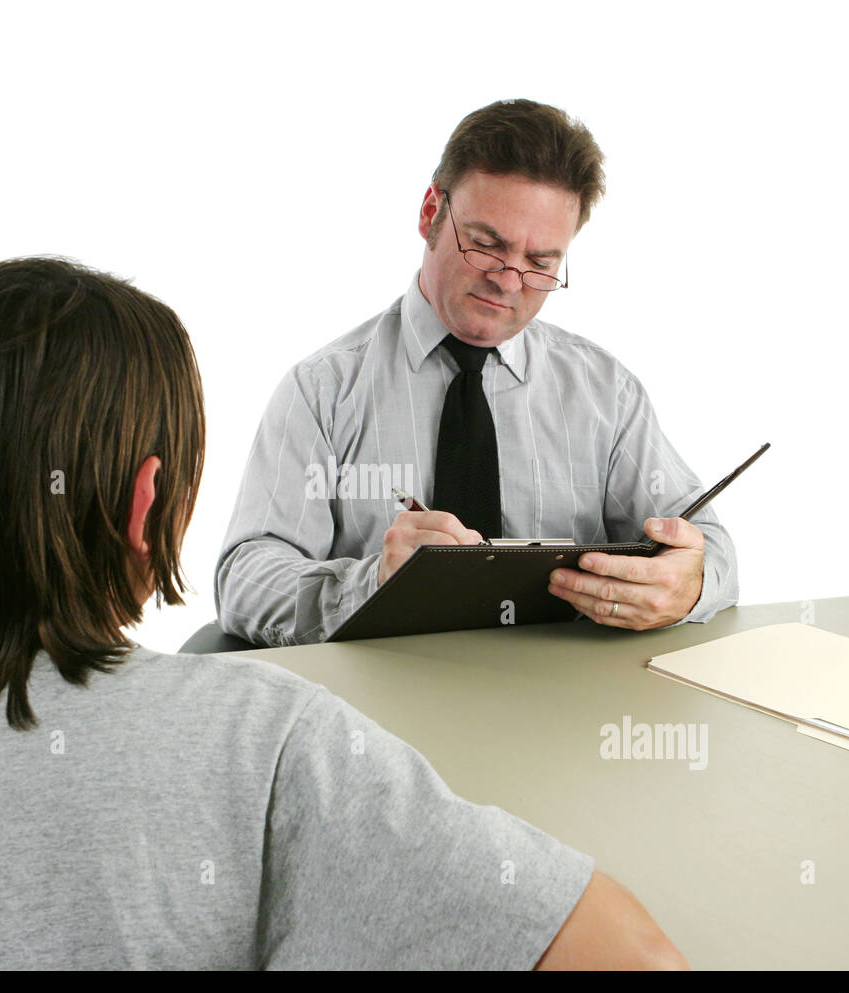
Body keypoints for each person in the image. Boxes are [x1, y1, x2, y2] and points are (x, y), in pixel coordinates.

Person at [0, 256, 685, 971]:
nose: (511, 276)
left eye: (541, 263)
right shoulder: (261, 740)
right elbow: (632, 958)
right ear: (150, 505)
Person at [216, 99, 739, 646]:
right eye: (487, 245)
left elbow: (709, 543)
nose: (509, 282)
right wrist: (368, 583)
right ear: (429, 213)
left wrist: (689, 583)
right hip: (373, 708)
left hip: (557, 705)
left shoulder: (606, 393)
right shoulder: (323, 390)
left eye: (541, 264)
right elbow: (243, 580)